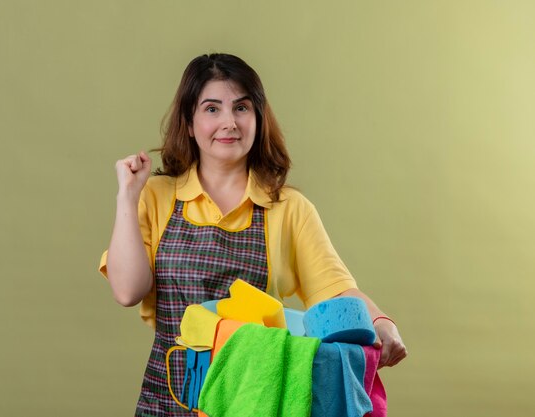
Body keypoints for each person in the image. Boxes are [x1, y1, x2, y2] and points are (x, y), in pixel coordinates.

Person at [99, 53, 407, 416]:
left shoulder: (288, 207)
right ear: (188, 122)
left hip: (250, 400)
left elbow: (336, 290)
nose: (228, 122)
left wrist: (381, 322)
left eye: (241, 108)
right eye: (212, 109)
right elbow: (127, 290)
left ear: (258, 118)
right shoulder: (156, 195)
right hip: (167, 398)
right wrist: (127, 195)